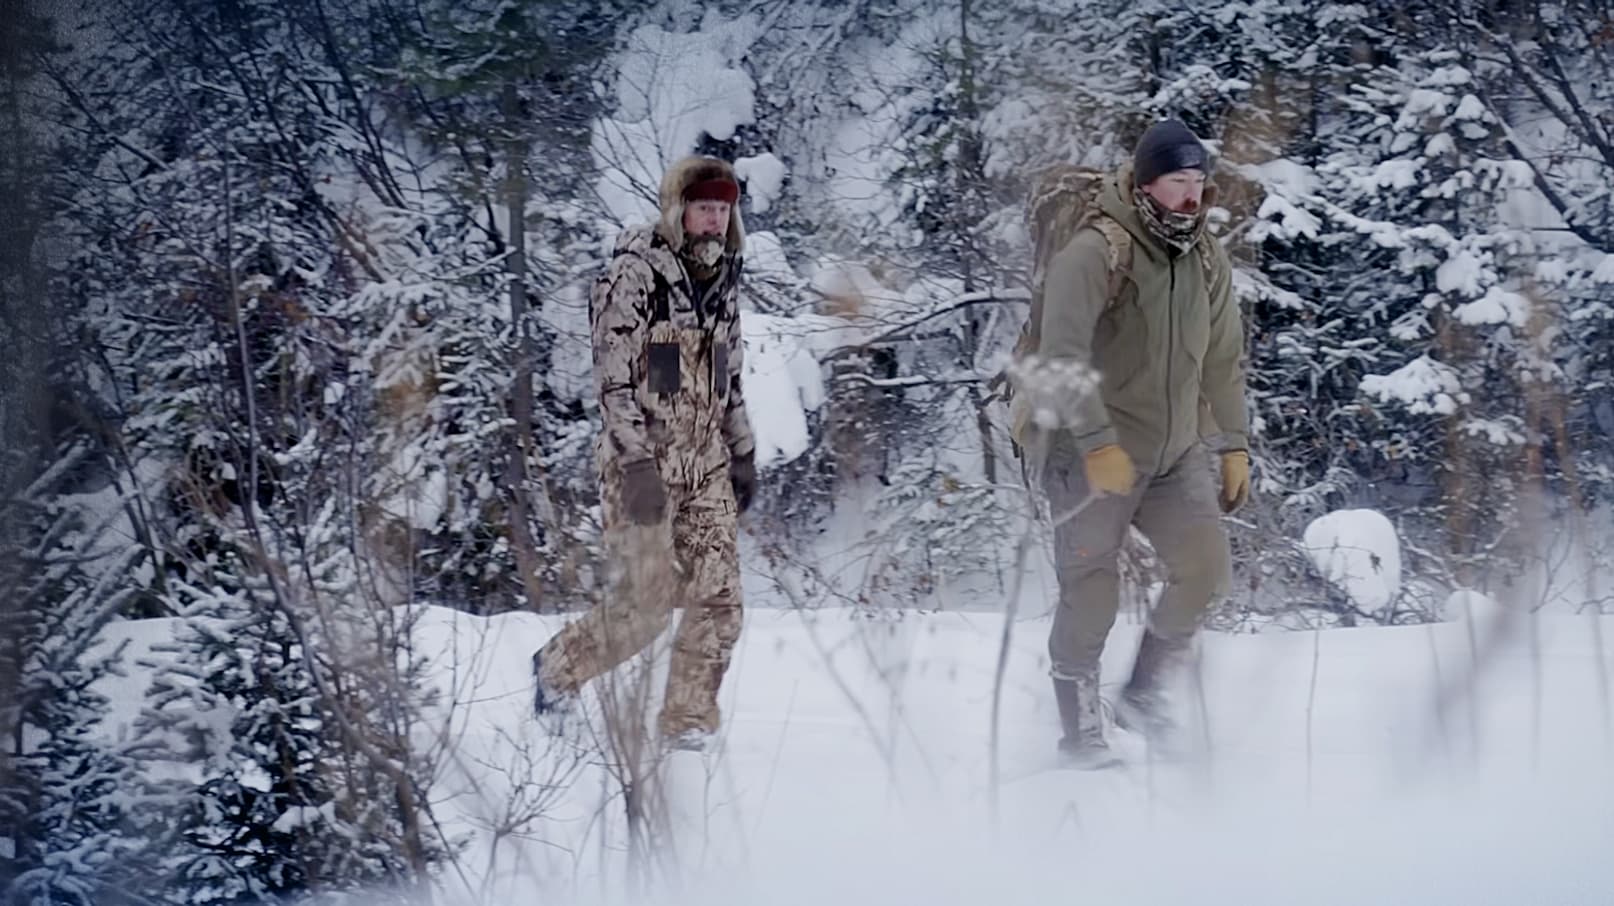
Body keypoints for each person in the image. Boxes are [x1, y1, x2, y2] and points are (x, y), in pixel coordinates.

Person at [1032, 119, 1251, 768]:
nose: (1192, 193)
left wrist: (1233, 443)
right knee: (1090, 592)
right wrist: (1096, 441)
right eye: (1178, 180)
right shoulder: (1095, 252)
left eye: (1199, 180)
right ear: (1146, 183)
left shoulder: (1205, 257)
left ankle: (1143, 695)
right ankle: (1079, 734)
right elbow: (1061, 356)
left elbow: (1223, 359)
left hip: (1173, 455)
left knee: (1205, 572)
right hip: (1087, 452)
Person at [531, 155, 758, 752]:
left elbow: (730, 377)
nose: (714, 219)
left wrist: (742, 451)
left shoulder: (723, 281)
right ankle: (557, 670)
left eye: (723, 209)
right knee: (646, 606)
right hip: (643, 466)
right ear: (678, 210)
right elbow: (613, 383)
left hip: (705, 464)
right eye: (703, 207)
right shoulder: (634, 276)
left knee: (720, 600)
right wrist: (634, 465)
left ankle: (687, 725)